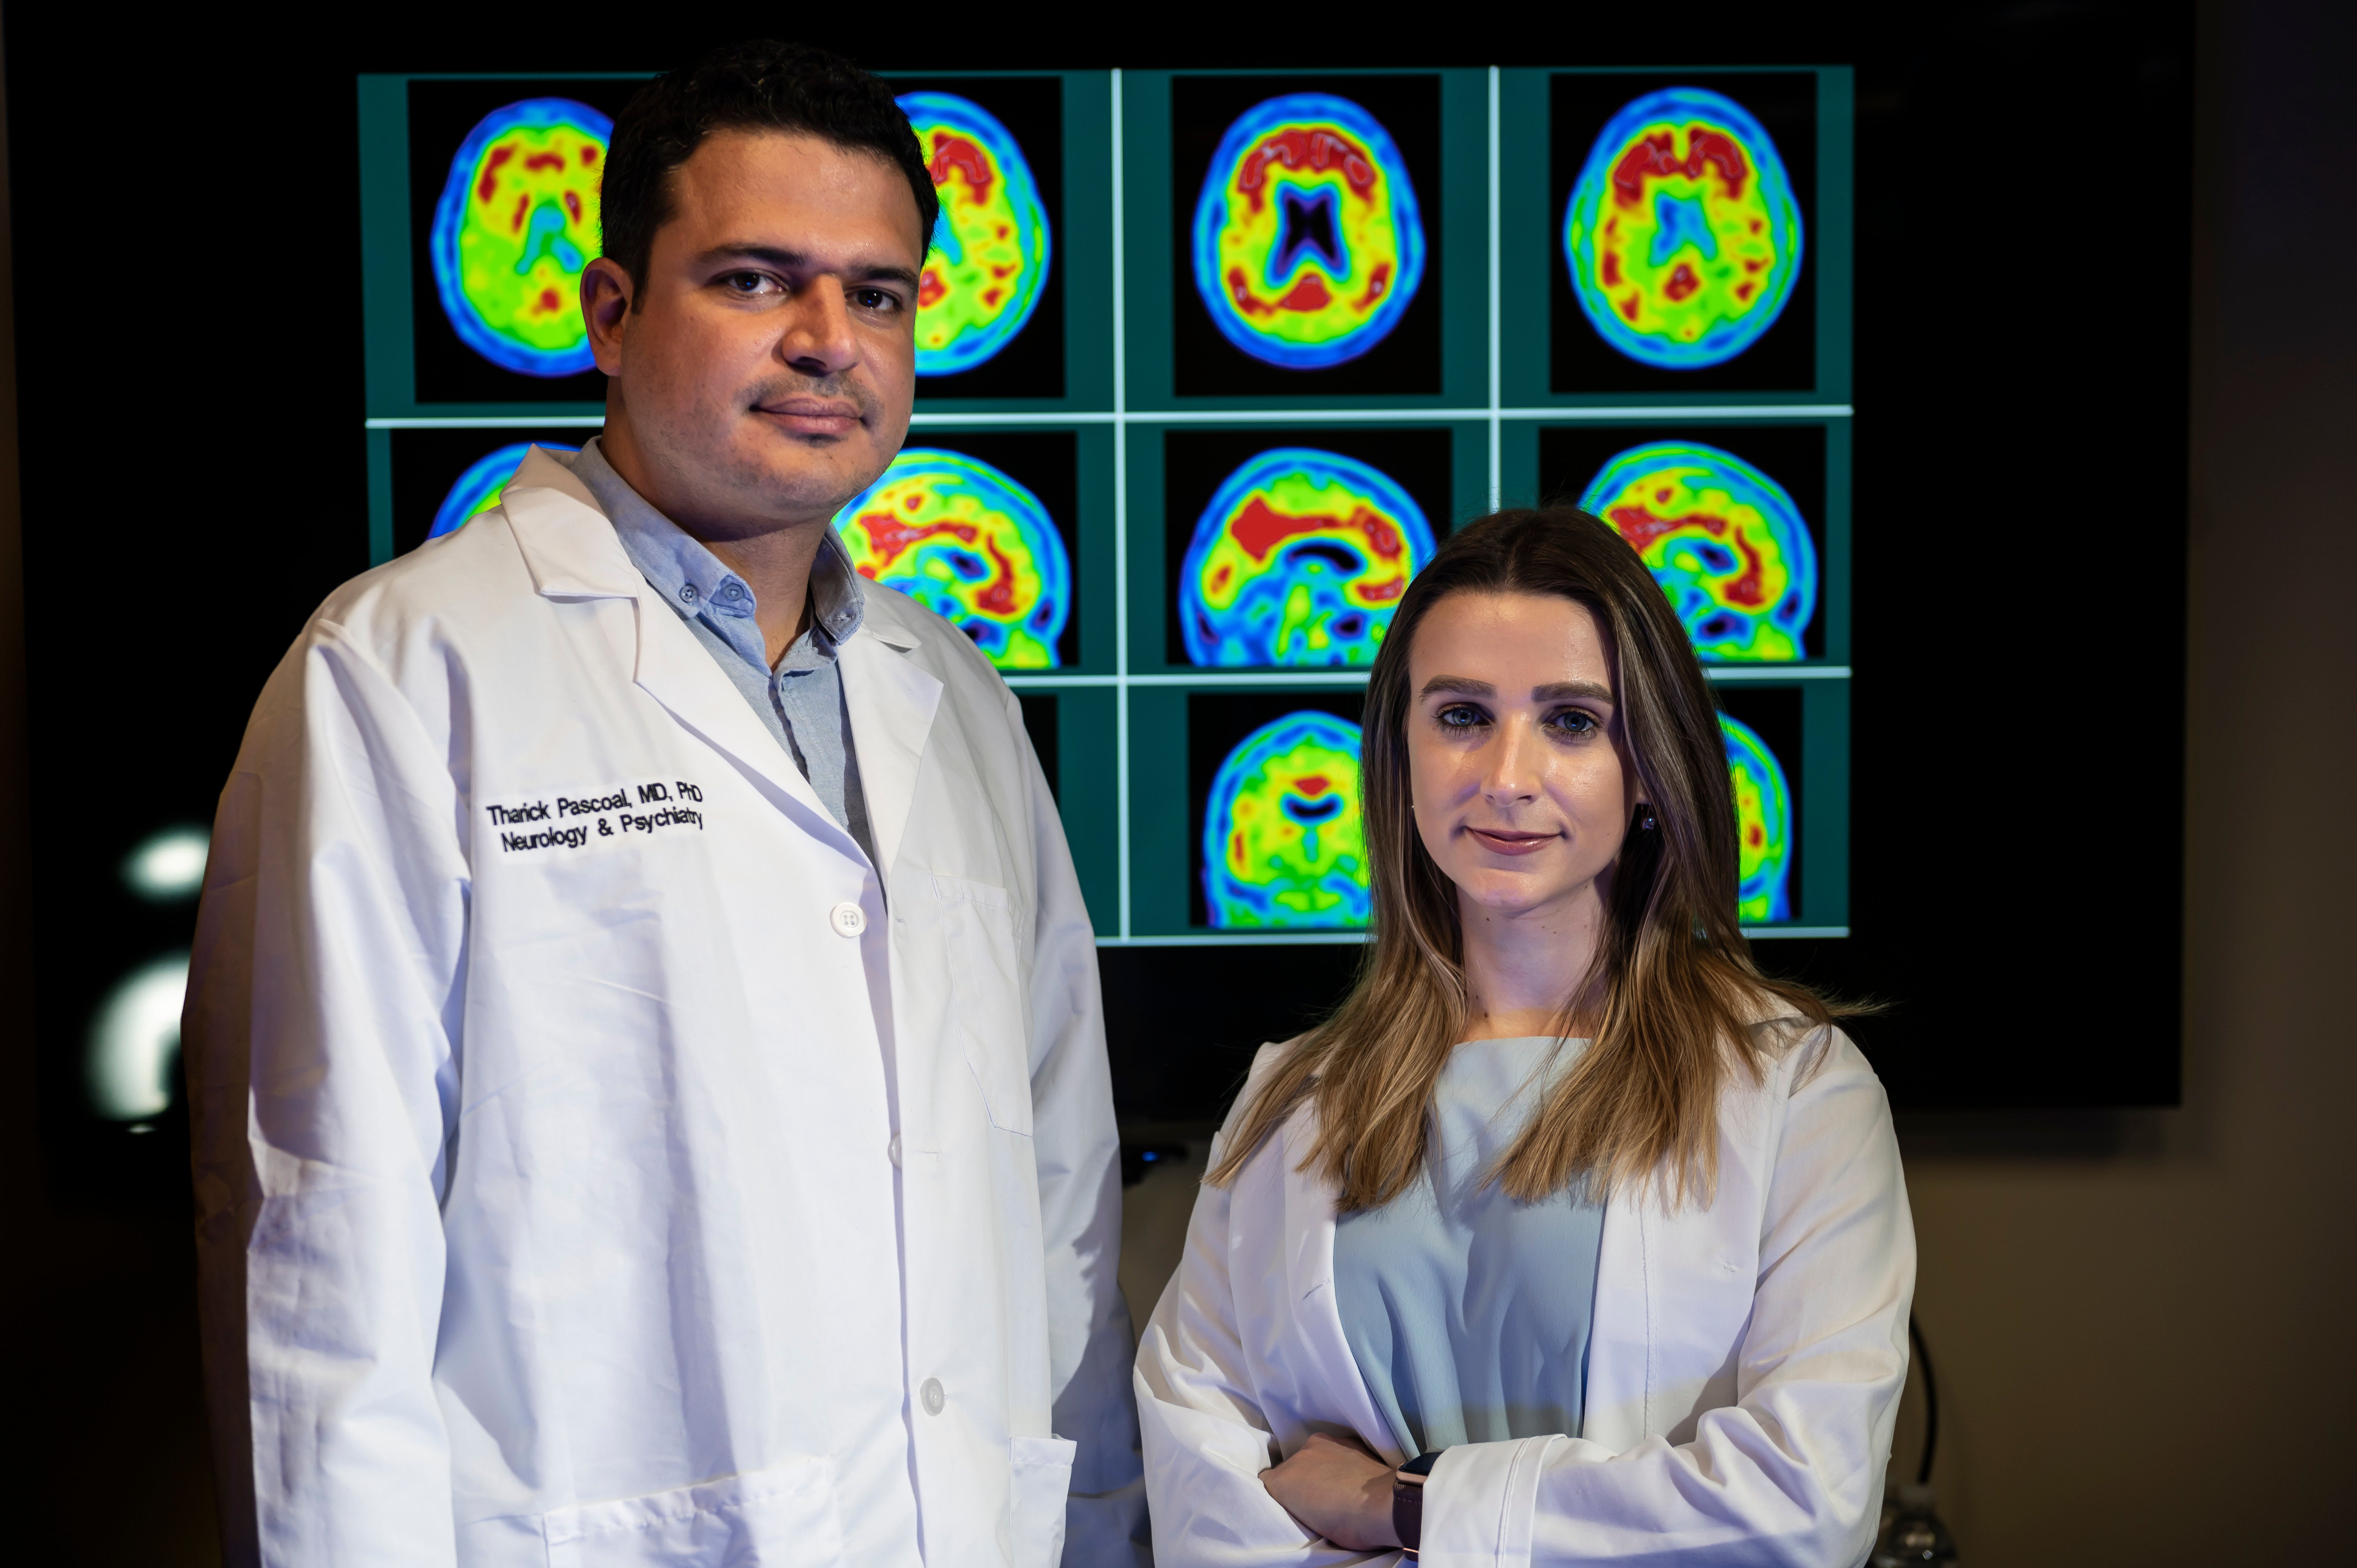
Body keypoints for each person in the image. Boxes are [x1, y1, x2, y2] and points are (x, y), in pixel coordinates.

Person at [184, 41, 1140, 1568]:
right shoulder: (403, 674)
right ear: (612, 313)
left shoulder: (953, 696)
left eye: (878, 293)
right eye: (759, 281)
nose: (831, 341)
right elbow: (321, 1249)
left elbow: (1059, 1191)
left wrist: (1092, 1527)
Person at [1135, 509, 1915, 1566]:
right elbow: (1207, 1505)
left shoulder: (1797, 1090)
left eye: (1573, 723)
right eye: (1461, 716)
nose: (1506, 775)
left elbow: (1801, 1504)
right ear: (1399, 751)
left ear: (1649, 768)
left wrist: (1406, 1508)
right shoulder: (1290, 1102)